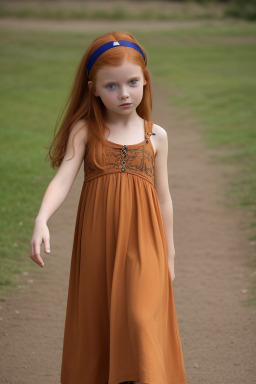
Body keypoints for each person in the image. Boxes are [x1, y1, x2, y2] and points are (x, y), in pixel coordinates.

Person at [29, 31, 187, 384]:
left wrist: (170, 255)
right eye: (112, 86)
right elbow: (63, 179)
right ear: (94, 89)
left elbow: (164, 197)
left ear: (145, 81)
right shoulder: (86, 130)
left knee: (139, 317)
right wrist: (42, 218)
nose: (124, 93)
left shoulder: (155, 136)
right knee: (100, 320)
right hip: (98, 243)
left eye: (132, 82)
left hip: (147, 244)